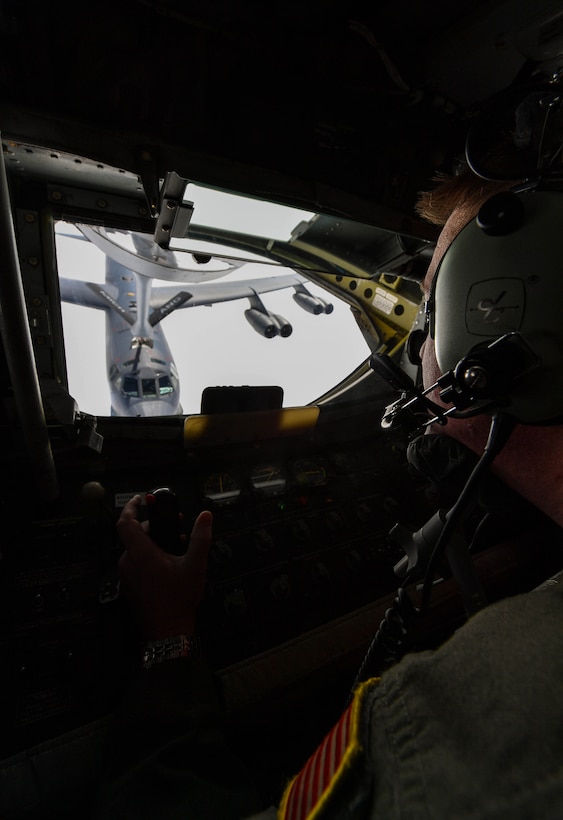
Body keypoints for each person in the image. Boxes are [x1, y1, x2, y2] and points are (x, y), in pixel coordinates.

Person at [94, 167, 563, 819]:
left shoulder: (500, 698)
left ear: (496, 338)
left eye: (430, 309)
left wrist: (168, 638)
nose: (418, 347)